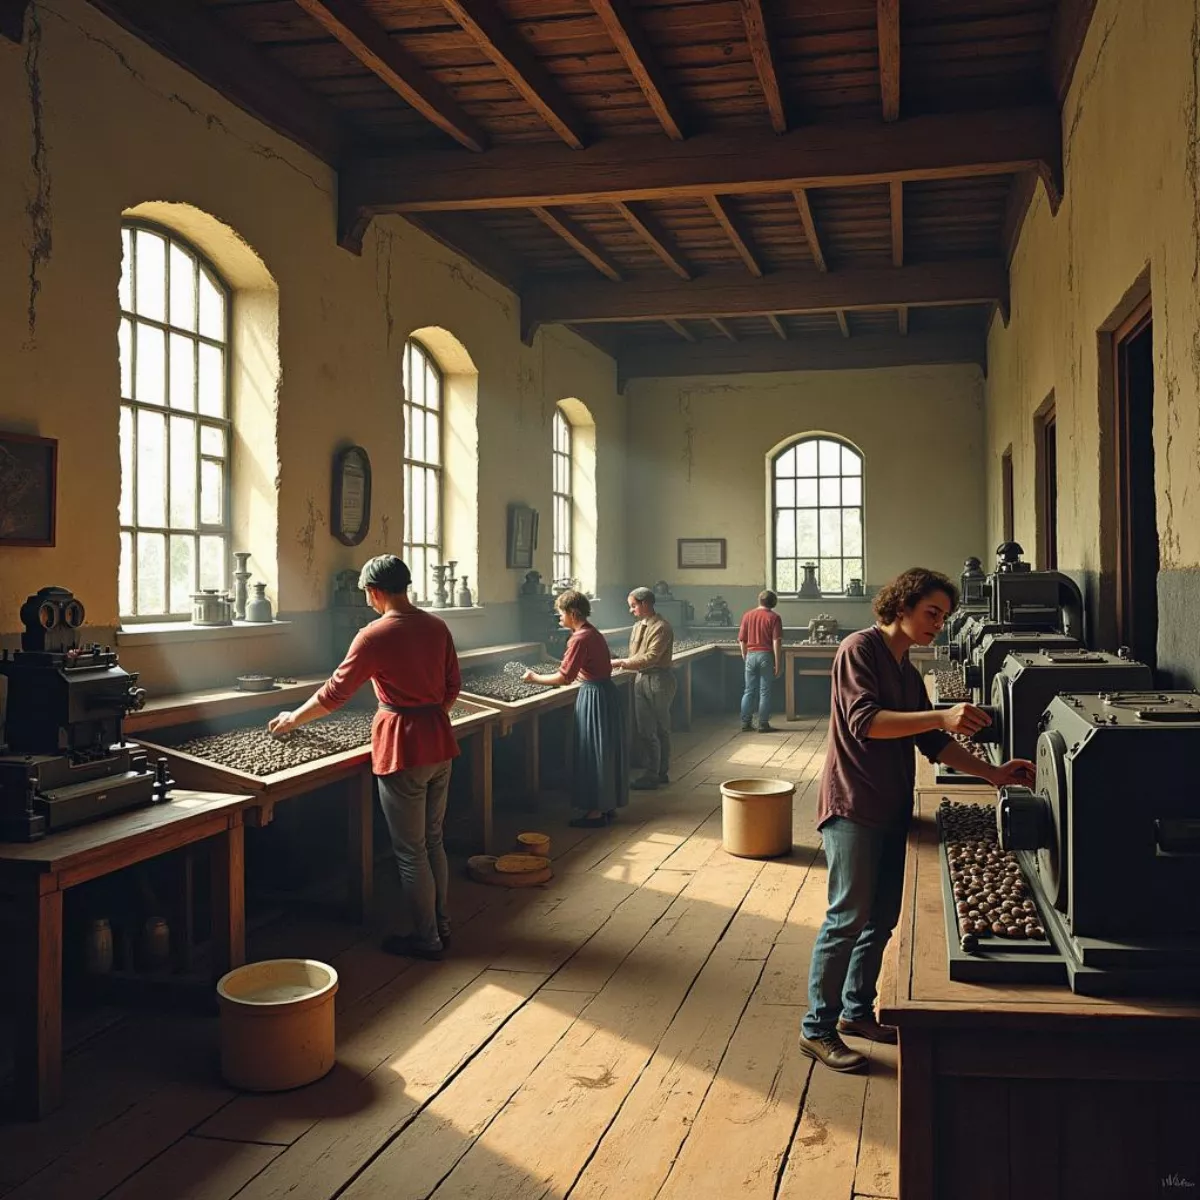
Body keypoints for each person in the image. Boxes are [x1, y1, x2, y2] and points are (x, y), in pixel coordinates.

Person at [799, 567, 1035, 1073]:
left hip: (889, 806)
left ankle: (856, 1013)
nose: (939, 624)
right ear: (901, 605)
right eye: (932, 613)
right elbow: (866, 722)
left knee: (879, 919)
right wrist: (940, 715)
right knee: (846, 918)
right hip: (853, 805)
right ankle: (816, 1029)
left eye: (944, 616)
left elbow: (934, 743)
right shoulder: (858, 650)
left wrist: (995, 774)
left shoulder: (905, 670)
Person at [267, 555, 460, 962]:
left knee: (410, 851)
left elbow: (335, 693)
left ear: (374, 592)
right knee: (434, 840)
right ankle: (441, 925)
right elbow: (451, 688)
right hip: (439, 741)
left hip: (403, 745)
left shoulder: (373, 635)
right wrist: (428, 708)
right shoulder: (437, 627)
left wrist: (293, 718)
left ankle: (426, 940)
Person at [524, 589, 628, 828]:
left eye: (560, 613)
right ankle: (606, 804)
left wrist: (535, 677)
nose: (559, 618)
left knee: (592, 752)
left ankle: (595, 812)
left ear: (572, 612)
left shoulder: (579, 638)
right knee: (604, 751)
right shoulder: (593, 633)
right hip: (605, 693)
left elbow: (565, 677)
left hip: (594, 696)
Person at [612, 586, 676, 790]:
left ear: (645, 603)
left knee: (660, 727)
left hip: (658, 680)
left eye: (633, 606)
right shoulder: (638, 626)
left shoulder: (661, 627)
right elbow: (636, 654)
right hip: (641, 678)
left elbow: (651, 657)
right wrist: (618, 659)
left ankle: (658, 772)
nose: (631, 610)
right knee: (645, 728)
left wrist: (622, 663)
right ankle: (653, 770)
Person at [738, 589, 783, 732]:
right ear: (773, 602)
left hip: (751, 655)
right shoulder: (774, 617)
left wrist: (745, 655)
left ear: (760, 600)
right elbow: (776, 641)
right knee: (765, 691)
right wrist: (778, 662)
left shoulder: (747, 615)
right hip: (766, 655)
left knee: (749, 690)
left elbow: (741, 639)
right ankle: (763, 724)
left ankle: (746, 723)